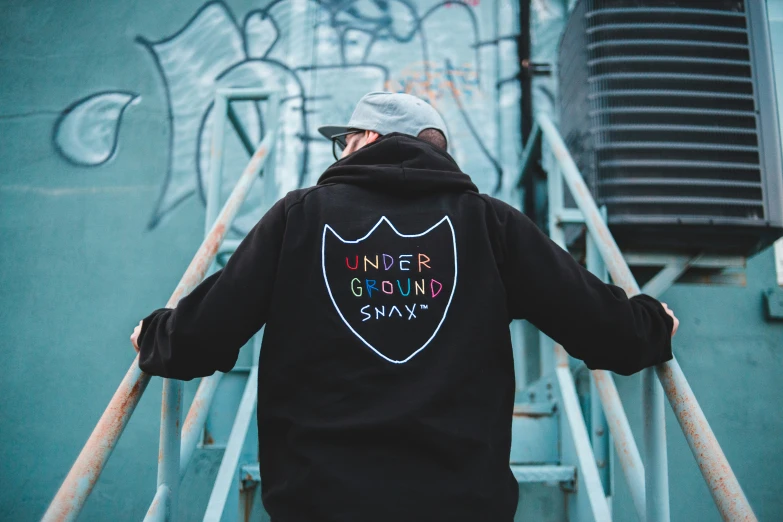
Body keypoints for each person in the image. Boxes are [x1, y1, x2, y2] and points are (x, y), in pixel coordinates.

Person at [131, 91, 678, 521]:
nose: (341, 150)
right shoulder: (490, 224)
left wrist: (155, 337)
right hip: (460, 503)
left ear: (367, 136)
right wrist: (651, 324)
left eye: (344, 139)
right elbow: (604, 330)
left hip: (319, 501)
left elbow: (201, 337)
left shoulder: (298, 217)